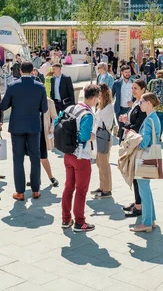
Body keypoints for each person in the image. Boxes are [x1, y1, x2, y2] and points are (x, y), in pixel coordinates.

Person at [0, 61, 48, 201]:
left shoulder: (12, 86)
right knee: (35, 158)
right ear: (33, 71)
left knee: (18, 159)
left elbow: (3, 106)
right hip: (34, 126)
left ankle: (20, 192)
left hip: (17, 127)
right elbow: (44, 108)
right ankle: (35, 190)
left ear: (20, 71)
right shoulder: (40, 87)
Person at [57, 84, 100, 232]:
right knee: (81, 190)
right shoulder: (87, 114)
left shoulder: (70, 108)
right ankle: (80, 222)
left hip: (67, 154)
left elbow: (57, 122)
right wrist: (91, 136)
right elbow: (84, 136)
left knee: (68, 188)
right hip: (81, 156)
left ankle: (65, 219)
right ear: (94, 98)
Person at [130, 92, 163, 233]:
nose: (140, 104)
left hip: (144, 158)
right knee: (146, 190)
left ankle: (147, 222)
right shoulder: (154, 118)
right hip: (151, 157)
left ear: (149, 102)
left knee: (144, 190)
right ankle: (151, 219)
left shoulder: (149, 119)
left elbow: (144, 143)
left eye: (142, 102)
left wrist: (133, 138)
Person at [118, 79, 148, 218]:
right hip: (132, 141)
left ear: (143, 89)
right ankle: (137, 202)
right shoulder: (136, 102)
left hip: (137, 143)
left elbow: (138, 125)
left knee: (137, 175)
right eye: (132, 88)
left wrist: (126, 125)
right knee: (134, 174)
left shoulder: (143, 104)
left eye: (136, 88)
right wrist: (126, 119)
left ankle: (140, 205)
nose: (133, 91)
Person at [91, 83, 114, 199]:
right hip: (99, 135)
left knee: (104, 163)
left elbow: (104, 123)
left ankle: (107, 189)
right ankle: (102, 186)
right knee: (100, 162)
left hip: (103, 135)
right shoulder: (101, 105)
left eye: (98, 92)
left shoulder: (108, 107)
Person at [147, 70, 163, 139]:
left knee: (152, 122)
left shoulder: (152, 82)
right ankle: (158, 137)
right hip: (162, 107)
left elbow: (148, 91)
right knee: (160, 122)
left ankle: (151, 136)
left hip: (152, 106)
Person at [112, 65, 134, 132]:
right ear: (122, 72)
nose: (128, 74)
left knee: (130, 130)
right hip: (120, 110)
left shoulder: (134, 82)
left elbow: (138, 95)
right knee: (121, 130)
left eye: (129, 72)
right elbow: (111, 95)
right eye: (126, 72)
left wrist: (133, 102)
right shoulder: (116, 83)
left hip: (131, 110)